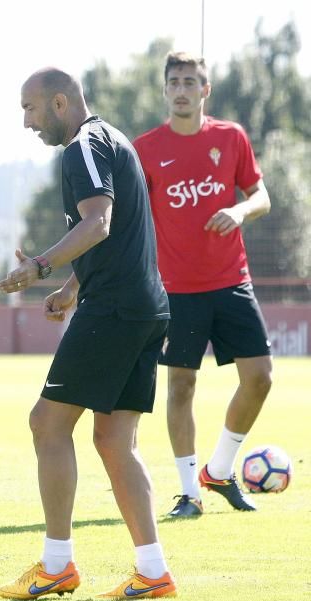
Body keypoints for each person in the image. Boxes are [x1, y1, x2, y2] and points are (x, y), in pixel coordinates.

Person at [0, 68, 176, 601]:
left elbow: (97, 223)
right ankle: (153, 571)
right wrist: (74, 286)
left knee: (47, 425)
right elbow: (113, 231)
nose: (26, 122)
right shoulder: (115, 139)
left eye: (29, 109)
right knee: (114, 440)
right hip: (146, 307)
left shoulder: (82, 146)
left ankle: (57, 565)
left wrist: (41, 268)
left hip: (117, 309)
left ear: (58, 103)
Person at [134, 52, 272, 519]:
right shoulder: (145, 149)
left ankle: (220, 469)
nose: (181, 89)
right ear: (165, 89)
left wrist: (237, 211)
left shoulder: (230, 137)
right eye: (174, 81)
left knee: (260, 379)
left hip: (232, 281)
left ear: (205, 90)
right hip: (176, 289)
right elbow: (129, 219)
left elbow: (261, 196)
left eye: (190, 81)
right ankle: (189, 492)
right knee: (181, 387)